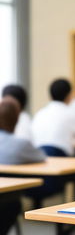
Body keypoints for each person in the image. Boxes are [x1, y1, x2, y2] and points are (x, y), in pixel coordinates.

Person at [0, 97, 46, 235]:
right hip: (8, 196)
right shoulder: (20, 144)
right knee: (13, 204)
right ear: (16, 119)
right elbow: (41, 156)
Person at [31, 78, 75, 156]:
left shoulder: (39, 114)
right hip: (60, 156)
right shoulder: (72, 114)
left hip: (39, 156)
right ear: (69, 95)